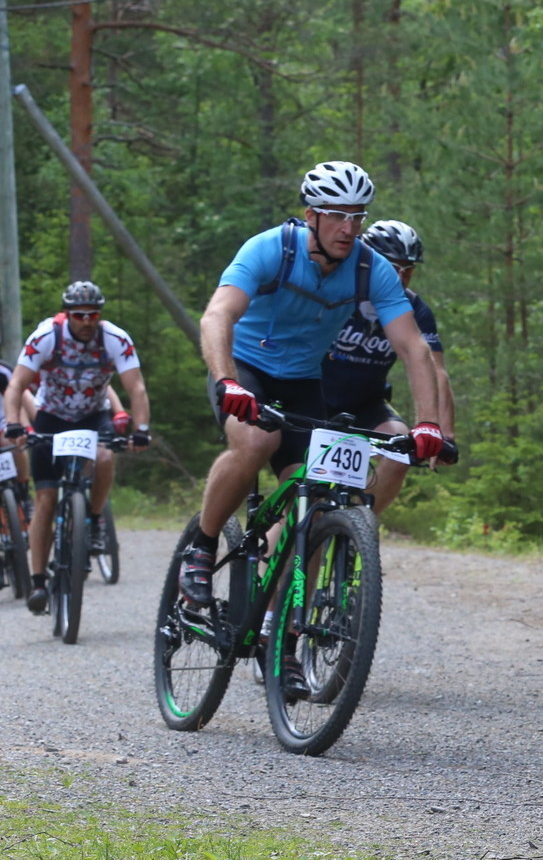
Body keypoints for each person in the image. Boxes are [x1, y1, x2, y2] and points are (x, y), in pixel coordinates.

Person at [179, 161, 445, 608]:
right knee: (256, 442)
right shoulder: (270, 249)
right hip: (245, 369)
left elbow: (413, 347)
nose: (348, 228)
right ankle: (201, 548)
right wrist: (227, 381)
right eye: (337, 215)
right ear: (311, 216)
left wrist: (428, 424)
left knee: (316, 500)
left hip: (303, 381)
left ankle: (278, 623)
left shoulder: (371, 268)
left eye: (357, 217)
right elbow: (217, 315)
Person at [2, 281, 151, 614]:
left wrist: (141, 430)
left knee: (105, 454)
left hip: (93, 416)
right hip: (51, 417)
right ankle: (38, 581)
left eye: (92, 314)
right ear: (67, 314)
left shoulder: (115, 339)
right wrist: (13, 423)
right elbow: (16, 385)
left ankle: (94, 521)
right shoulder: (45, 337)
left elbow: (136, 388)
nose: (86, 321)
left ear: (100, 315)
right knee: (45, 499)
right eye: (79, 315)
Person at [319, 218, 456, 513]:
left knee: (400, 451)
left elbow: (437, 371)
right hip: (312, 398)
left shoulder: (414, 309)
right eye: (393, 267)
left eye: (409, 270)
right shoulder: (337, 292)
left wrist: (444, 432)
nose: (401, 277)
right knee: (307, 506)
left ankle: (356, 525)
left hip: (366, 403)